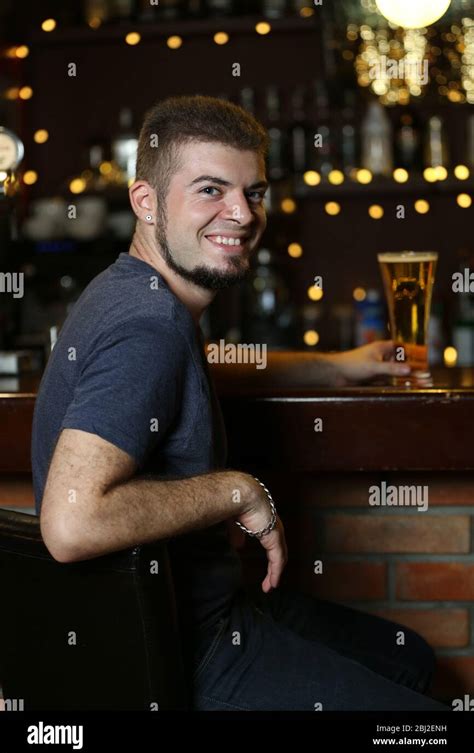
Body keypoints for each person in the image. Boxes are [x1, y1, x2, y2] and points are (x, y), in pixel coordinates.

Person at [32, 95, 447, 712]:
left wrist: (337, 365)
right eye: (210, 190)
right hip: (193, 651)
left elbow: (211, 366)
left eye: (253, 193)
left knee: (406, 657)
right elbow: (70, 524)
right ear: (145, 202)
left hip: (197, 618)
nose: (242, 213)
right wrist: (238, 491)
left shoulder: (134, 293)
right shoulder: (150, 326)